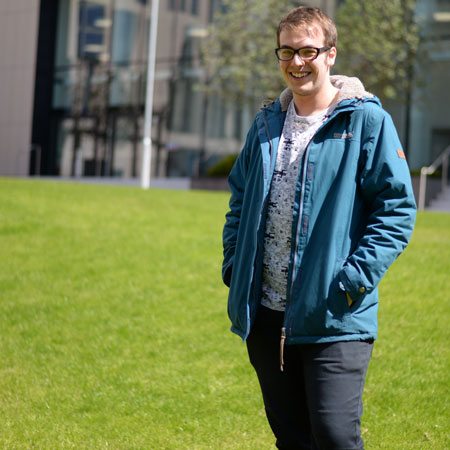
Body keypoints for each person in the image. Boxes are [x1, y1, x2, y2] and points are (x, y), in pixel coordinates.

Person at [222, 6, 417, 450]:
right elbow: (239, 197)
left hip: (335, 315)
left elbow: (397, 210)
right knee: (292, 438)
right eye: (286, 51)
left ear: (330, 55)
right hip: (267, 316)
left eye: (307, 50)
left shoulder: (366, 121)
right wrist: (235, 266)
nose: (296, 62)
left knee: (334, 437)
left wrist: (352, 281)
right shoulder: (266, 123)